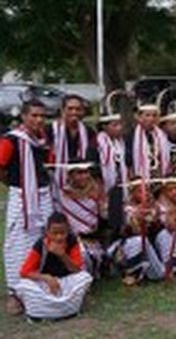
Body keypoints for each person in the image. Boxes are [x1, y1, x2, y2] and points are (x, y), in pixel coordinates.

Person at [0, 100, 54, 315]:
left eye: (42, 116)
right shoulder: (11, 140)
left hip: (44, 195)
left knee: (45, 239)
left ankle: (40, 286)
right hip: (21, 196)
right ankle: (15, 293)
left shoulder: (43, 140)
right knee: (16, 242)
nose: (38, 120)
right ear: (23, 117)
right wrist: (15, 184)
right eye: (33, 115)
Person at [16, 212, 93, 321]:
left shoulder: (72, 241)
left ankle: (51, 308)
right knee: (23, 285)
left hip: (66, 282)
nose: (59, 237)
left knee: (84, 277)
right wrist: (46, 278)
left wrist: (63, 255)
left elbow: (76, 270)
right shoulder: (40, 245)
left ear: (68, 231)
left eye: (63, 233)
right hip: (46, 285)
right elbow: (24, 272)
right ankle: (63, 307)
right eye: (54, 233)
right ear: (47, 232)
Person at [56, 161, 107, 278]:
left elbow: (104, 216)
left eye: (86, 172)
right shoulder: (63, 194)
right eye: (79, 173)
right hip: (72, 240)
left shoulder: (96, 190)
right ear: (70, 175)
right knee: (81, 254)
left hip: (93, 239)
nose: (84, 176)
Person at [48, 94, 96, 209]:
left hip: (82, 184)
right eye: (70, 109)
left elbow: (93, 158)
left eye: (78, 109)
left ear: (83, 111)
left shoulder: (89, 132)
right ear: (63, 110)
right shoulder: (51, 130)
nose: (74, 112)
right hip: (57, 182)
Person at [126, 101, 171, 180]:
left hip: (159, 175)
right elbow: (128, 161)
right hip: (140, 178)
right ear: (139, 117)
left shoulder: (162, 136)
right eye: (147, 115)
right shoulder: (131, 136)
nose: (151, 119)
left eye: (154, 115)